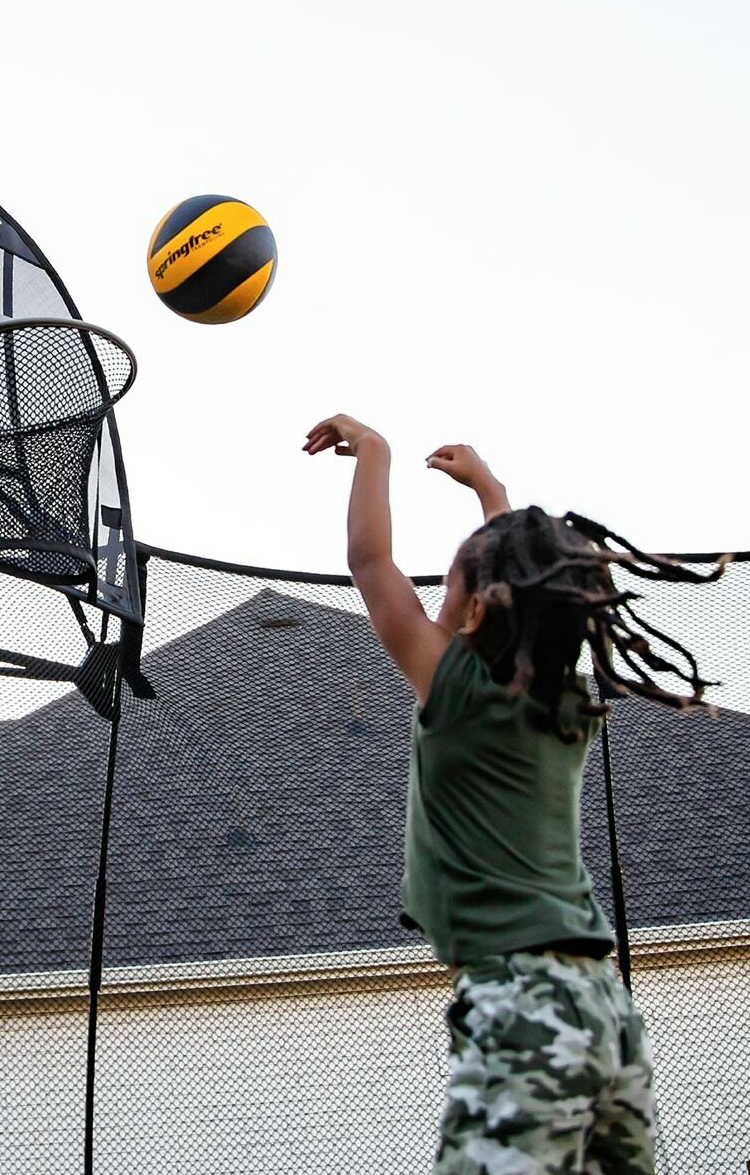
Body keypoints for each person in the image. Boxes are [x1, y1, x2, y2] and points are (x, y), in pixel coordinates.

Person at [303, 413, 725, 1174]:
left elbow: (371, 563)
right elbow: (524, 591)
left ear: (474, 611)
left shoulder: (458, 689)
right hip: (606, 1010)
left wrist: (376, 450)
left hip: (523, 1002)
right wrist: (492, 495)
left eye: (452, 584)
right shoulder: (566, 703)